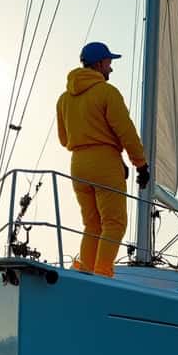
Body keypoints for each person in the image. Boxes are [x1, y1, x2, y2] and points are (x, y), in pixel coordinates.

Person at [56, 41, 150, 278]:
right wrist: (140, 164)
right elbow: (126, 131)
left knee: (92, 224)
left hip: (77, 165)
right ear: (99, 63)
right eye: (109, 62)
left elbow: (63, 138)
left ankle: (86, 271)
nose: (111, 68)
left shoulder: (64, 99)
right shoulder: (107, 93)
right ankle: (102, 273)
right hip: (104, 164)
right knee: (114, 223)